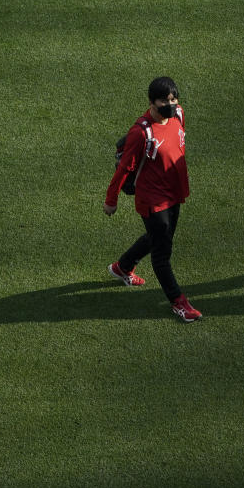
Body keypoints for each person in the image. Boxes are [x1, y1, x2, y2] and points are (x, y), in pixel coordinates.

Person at [103, 76, 202, 323]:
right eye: (164, 100)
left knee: (160, 236)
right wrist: (111, 199)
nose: (170, 104)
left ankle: (122, 267)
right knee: (162, 254)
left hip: (175, 193)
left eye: (173, 98)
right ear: (151, 102)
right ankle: (179, 303)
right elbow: (125, 168)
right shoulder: (141, 132)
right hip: (153, 200)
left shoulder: (178, 115)